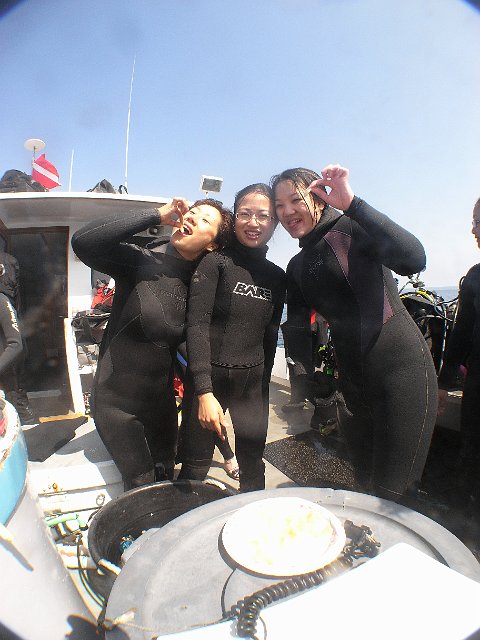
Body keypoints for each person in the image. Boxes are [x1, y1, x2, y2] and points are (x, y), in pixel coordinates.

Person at [271, 164, 437, 501]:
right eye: (279, 205)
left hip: (401, 372)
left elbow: (414, 259)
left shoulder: (351, 228)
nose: (287, 212)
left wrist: (353, 204)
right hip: (352, 386)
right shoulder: (297, 266)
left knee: (394, 495)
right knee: (364, 483)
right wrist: (308, 383)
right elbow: (297, 327)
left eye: (296, 200)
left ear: (319, 198)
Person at [71, 198, 232, 490]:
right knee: (142, 487)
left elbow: (199, 345)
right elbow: (83, 242)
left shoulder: (202, 286)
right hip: (116, 405)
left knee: (165, 479)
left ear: (212, 245)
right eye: (192, 212)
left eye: (205, 220)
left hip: (161, 407)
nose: (192, 217)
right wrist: (156, 215)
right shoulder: (139, 261)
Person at [177, 184, 286, 491]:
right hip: (209, 381)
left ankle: (252, 515)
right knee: (195, 464)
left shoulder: (277, 277)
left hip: (252, 385)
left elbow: (270, 335)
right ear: (235, 218)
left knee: (253, 463)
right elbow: (197, 325)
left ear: (274, 223)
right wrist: (203, 391)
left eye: (263, 216)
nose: (253, 223)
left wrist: (263, 389)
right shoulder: (216, 263)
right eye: (245, 214)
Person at [438, 197, 480, 510]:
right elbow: (461, 333)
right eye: (474, 222)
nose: (473, 230)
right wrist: (443, 382)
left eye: (478, 222)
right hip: (477, 388)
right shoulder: (475, 276)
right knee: (471, 455)